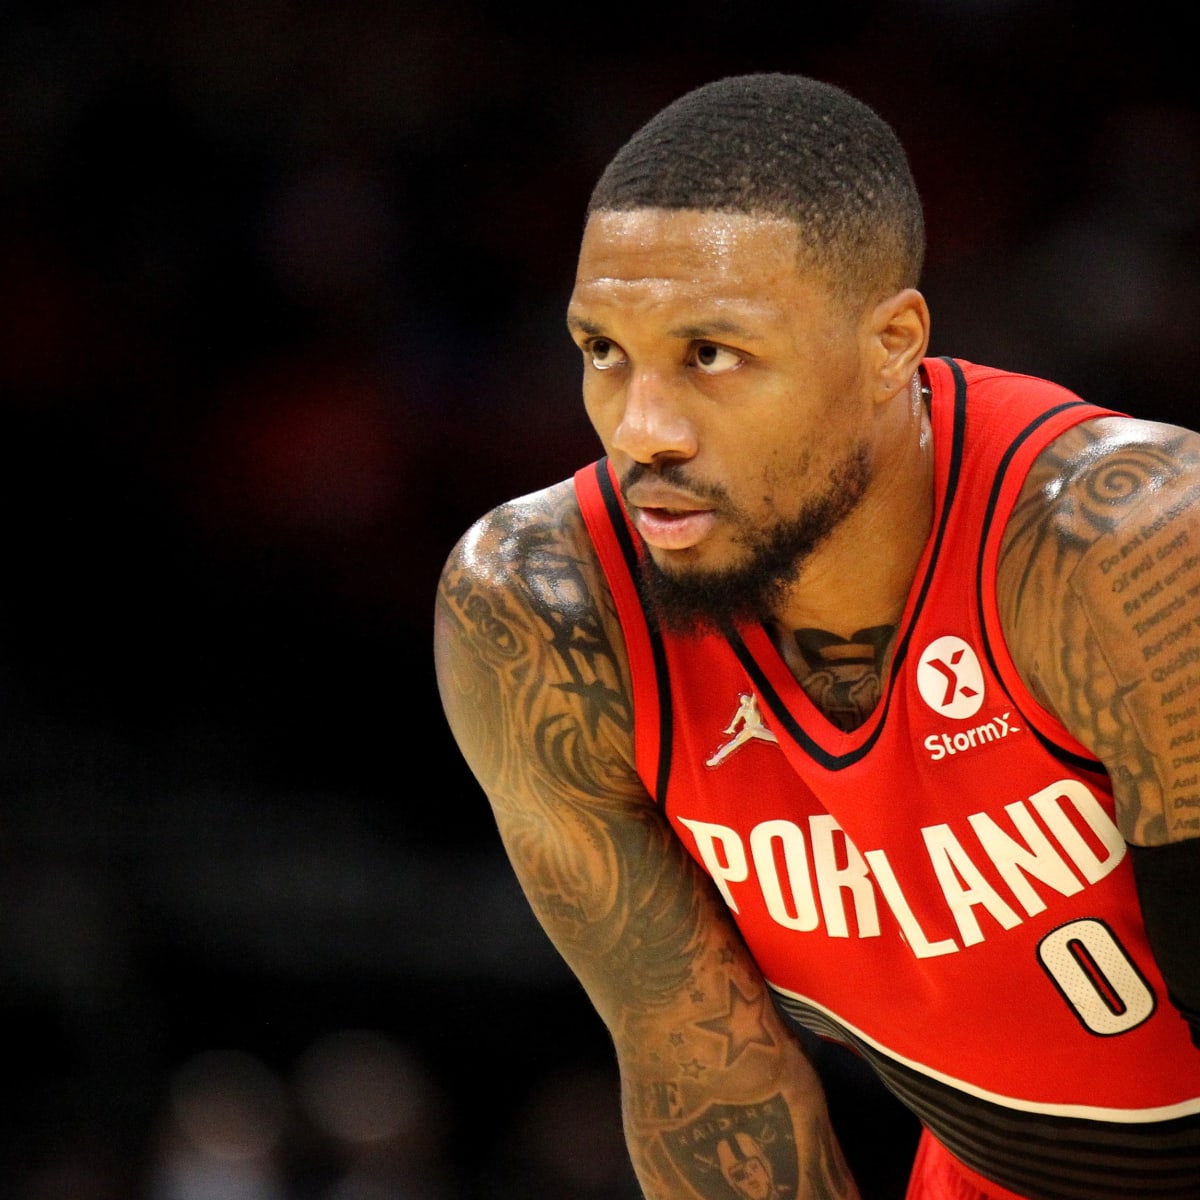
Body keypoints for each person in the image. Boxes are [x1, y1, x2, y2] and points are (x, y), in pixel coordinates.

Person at [432, 72, 1200, 1199]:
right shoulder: (543, 611)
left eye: (711, 354)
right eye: (603, 351)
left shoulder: (1129, 551)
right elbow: (711, 1093)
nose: (644, 429)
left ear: (892, 343)